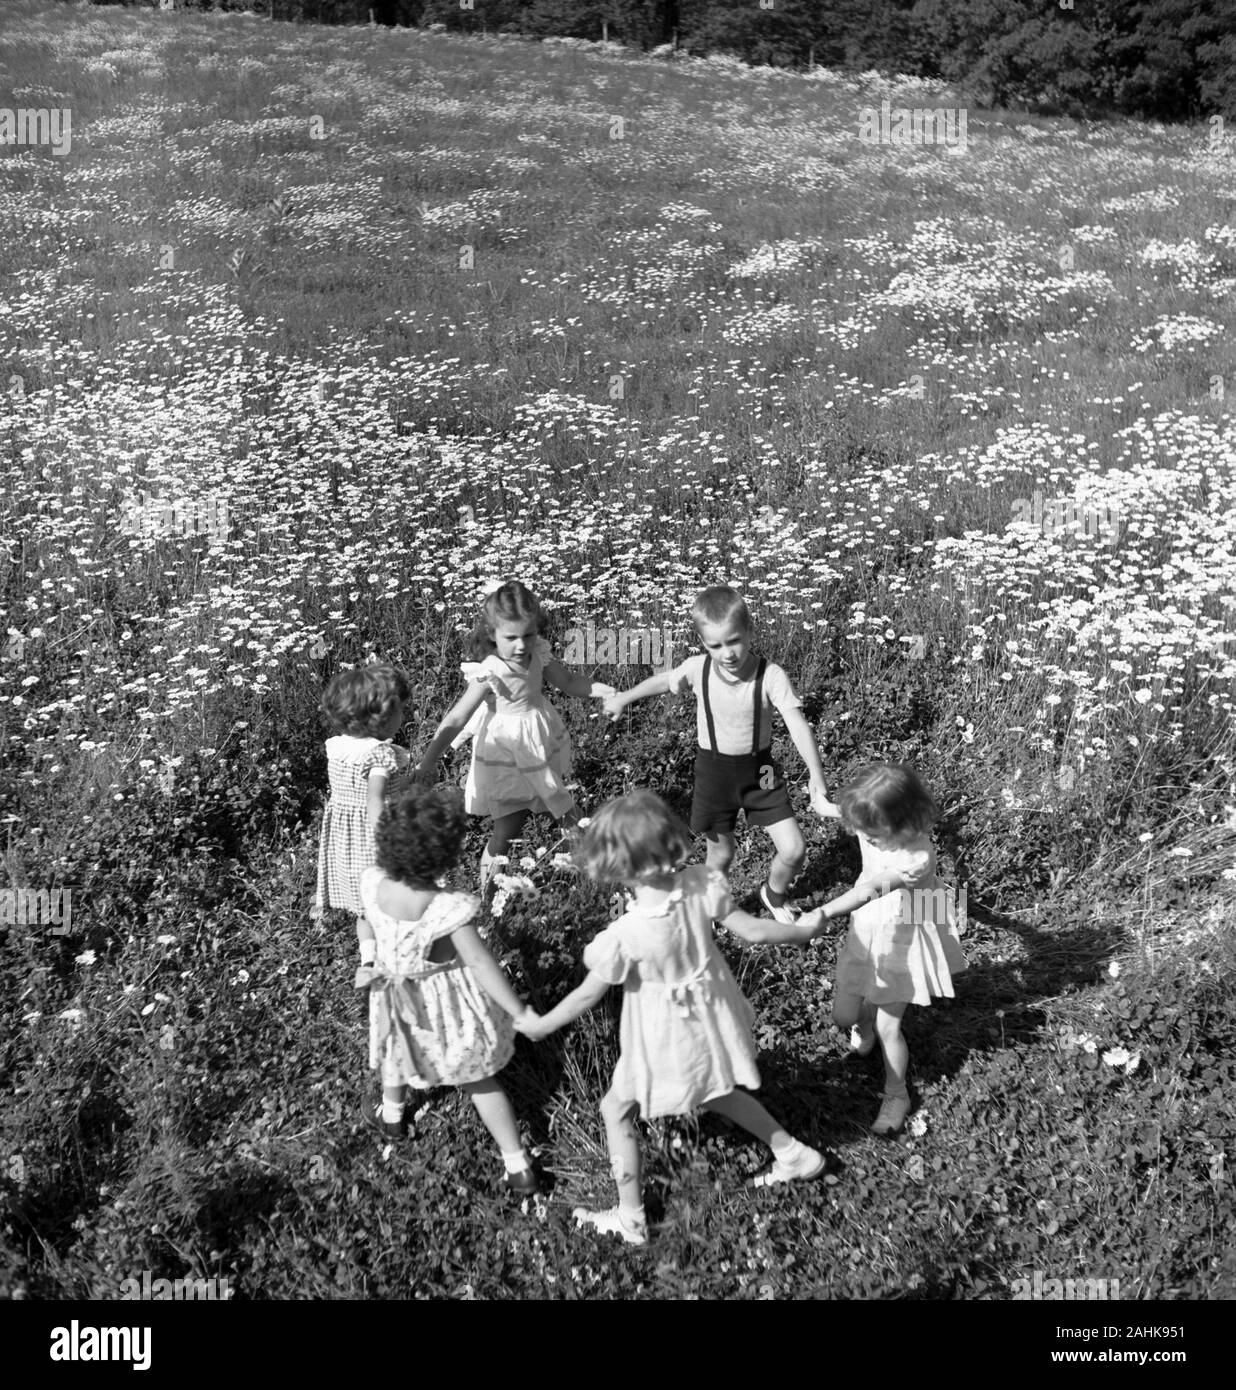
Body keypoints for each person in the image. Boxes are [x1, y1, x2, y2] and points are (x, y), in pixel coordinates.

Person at [518, 790, 826, 1246]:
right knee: (714, 1090)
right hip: (709, 1020)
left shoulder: (624, 936)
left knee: (614, 1109)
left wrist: (541, 1025)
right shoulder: (702, 885)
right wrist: (803, 931)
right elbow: (755, 930)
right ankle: (791, 1151)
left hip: (662, 1039)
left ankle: (631, 1217)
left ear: (616, 866)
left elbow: (586, 996)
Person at [603, 585, 829, 922]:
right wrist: (624, 697)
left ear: (750, 632)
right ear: (704, 643)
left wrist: (816, 774)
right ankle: (713, 909)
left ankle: (773, 893)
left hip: (760, 772)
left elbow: (797, 724)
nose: (727, 653)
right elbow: (665, 680)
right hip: (714, 774)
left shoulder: (770, 675)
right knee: (721, 855)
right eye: (716, 645)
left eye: (734, 641)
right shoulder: (698, 669)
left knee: (794, 848)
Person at [357, 782, 538, 1189]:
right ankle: (517, 1164)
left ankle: (392, 1117)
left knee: (395, 1053)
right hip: (444, 1012)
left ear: (387, 842)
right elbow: (480, 962)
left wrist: (368, 955)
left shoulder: (372, 884)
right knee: (477, 1078)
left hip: (393, 998)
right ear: (446, 856)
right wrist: (519, 1011)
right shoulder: (447, 908)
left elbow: (364, 920)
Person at [800, 763, 967, 1137]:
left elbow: (868, 891)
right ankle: (864, 1022)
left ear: (899, 823)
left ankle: (897, 1094)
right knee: (844, 1016)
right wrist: (821, 800)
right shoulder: (872, 820)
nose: (862, 837)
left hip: (905, 929)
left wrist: (822, 911)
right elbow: (842, 813)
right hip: (872, 922)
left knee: (888, 1026)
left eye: (871, 834)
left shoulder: (915, 859)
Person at [415, 581, 613, 891]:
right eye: (511, 638)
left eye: (528, 635)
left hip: (539, 745)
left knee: (565, 811)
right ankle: (487, 897)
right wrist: (428, 762)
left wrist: (600, 690)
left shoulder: (538, 654)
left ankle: (591, 883)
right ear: (492, 634)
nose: (521, 646)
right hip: (507, 754)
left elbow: (569, 681)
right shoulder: (491, 669)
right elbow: (457, 716)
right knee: (509, 827)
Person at [315, 662, 412, 983]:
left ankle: (368, 962)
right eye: (399, 709)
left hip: (346, 840)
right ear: (381, 716)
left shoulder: (340, 747)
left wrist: (410, 781)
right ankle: (396, 960)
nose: (404, 715)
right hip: (373, 835)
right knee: (391, 903)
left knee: (364, 907)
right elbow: (375, 798)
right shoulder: (380, 755)